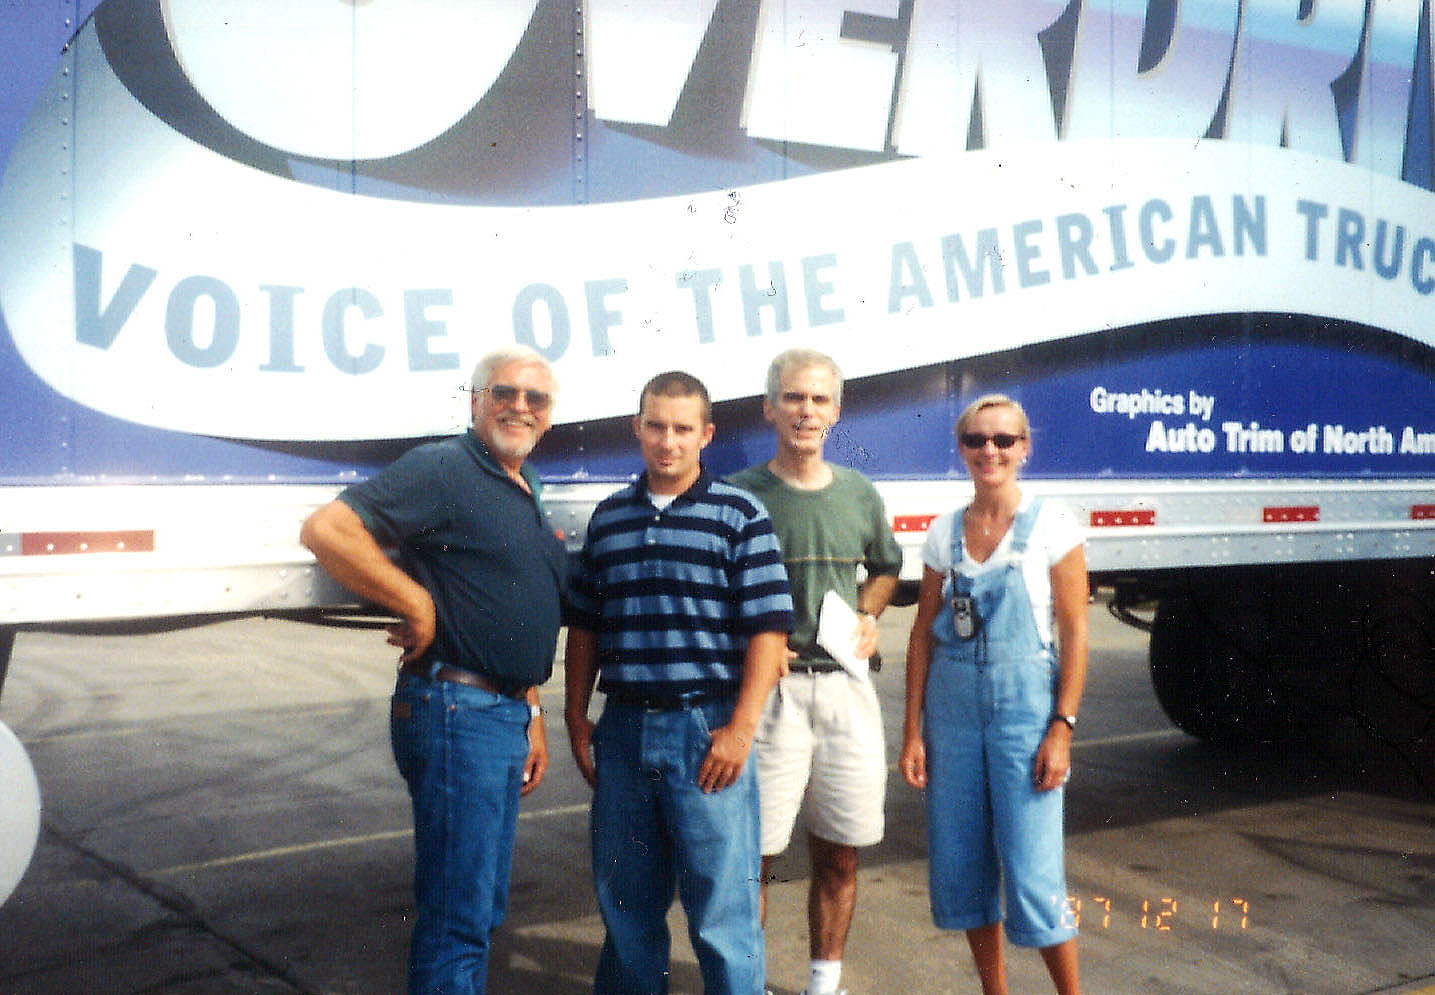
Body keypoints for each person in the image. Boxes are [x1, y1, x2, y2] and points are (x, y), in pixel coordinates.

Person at [299, 345, 567, 995]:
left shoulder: (525, 488)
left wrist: (529, 708)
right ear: (474, 401)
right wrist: (411, 598)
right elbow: (326, 528)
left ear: (550, 416)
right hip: (456, 711)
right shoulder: (444, 468)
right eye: (503, 392)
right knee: (459, 915)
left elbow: (504, 605)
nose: (519, 407)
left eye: (535, 399)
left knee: (481, 907)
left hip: (497, 712)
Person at [563, 371, 794, 995]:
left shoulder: (740, 514)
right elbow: (584, 624)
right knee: (627, 908)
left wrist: (740, 731)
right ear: (637, 428)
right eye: (656, 426)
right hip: (626, 727)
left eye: (683, 428)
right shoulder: (609, 519)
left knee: (723, 913)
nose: (668, 441)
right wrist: (576, 717)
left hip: (706, 730)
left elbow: (768, 632)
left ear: (706, 435)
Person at [726, 349, 903, 995]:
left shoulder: (858, 493)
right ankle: (745, 982)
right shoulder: (739, 495)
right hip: (769, 696)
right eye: (794, 398)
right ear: (769, 407)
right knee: (754, 857)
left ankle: (823, 984)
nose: (806, 411)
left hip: (845, 693)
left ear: (836, 410)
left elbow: (885, 566)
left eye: (818, 400)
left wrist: (867, 611)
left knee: (841, 850)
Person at [899, 393, 1088, 995]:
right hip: (951, 718)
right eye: (977, 441)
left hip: (1024, 712)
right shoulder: (943, 532)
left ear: (1024, 448)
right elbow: (923, 636)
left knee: (1033, 875)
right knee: (962, 868)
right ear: (961, 449)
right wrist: (911, 733)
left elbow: (1077, 632)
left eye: (1005, 440)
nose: (991, 452)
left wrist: (1062, 727)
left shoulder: (1052, 526)